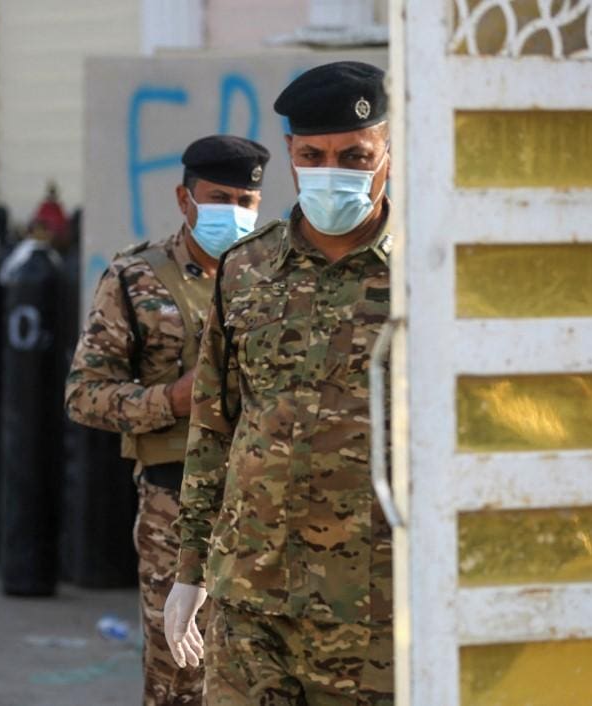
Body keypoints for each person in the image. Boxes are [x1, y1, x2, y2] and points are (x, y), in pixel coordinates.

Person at [164, 62, 395, 706]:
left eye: (354, 155)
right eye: (314, 155)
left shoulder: (429, 273)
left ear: (387, 153)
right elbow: (215, 427)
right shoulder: (247, 269)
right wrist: (190, 571)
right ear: (292, 160)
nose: (333, 170)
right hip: (249, 599)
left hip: (376, 607)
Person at [66, 135, 270, 706]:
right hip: (173, 506)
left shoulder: (275, 278)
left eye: (245, 200)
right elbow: (84, 394)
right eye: (217, 197)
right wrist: (171, 401)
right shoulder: (136, 278)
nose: (233, 212)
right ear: (185, 199)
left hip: (265, 501)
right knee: (181, 678)